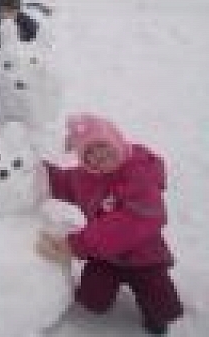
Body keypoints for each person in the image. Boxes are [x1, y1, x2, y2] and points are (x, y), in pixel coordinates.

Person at [37, 114, 183, 335]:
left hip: (144, 257)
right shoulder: (85, 177)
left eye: (103, 147)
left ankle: (156, 318)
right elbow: (60, 181)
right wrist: (31, 166)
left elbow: (132, 222)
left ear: (115, 140)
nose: (99, 157)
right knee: (91, 300)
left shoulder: (139, 172)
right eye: (89, 154)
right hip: (106, 257)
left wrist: (78, 244)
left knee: (159, 304)